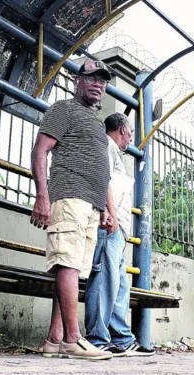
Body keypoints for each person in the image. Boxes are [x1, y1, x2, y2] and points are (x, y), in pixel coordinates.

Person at [30, 60, 114, 360]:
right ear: (77, 81)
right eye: (91, 78)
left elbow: (98, 166)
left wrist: (104, 206)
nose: (98, 85)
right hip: (68, 196)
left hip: (90, 204)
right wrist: (43, 195)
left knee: (73, 268)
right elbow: (40, 150)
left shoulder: (95, 120)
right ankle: (73, 339)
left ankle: (55, 338)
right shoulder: (63, 109)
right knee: (67, 264)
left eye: (103, 81)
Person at [84, 112, 155, 357]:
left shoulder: (114, 150)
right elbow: (102, 181)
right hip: (108, 224)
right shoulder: (106, 145)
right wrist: (109, 213)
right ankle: (97, 337)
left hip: (119, 228)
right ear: (123, 129)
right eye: (131, 133)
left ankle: (121, 338)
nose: (131, 138)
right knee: (104, 278)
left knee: (120, 284)